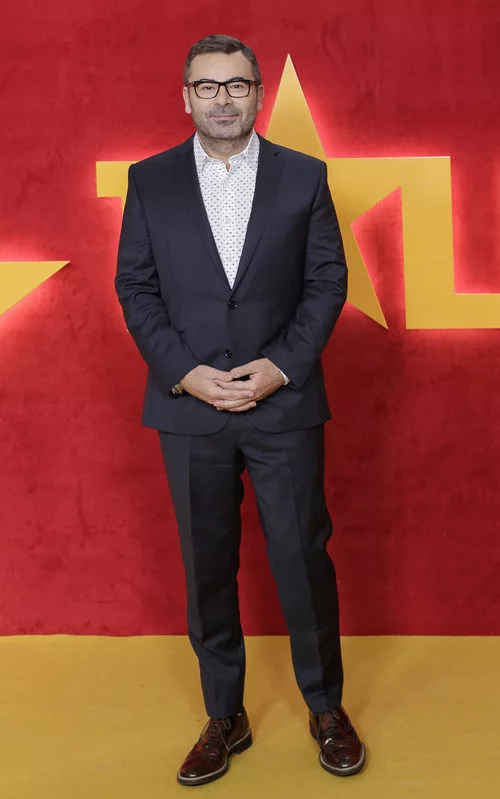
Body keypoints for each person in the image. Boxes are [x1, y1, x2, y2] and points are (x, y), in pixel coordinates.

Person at [115, 33, 365, 786]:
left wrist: (281, 368)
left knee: (302, 558)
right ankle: (225, 714)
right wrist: (186, 373)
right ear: (186, 97)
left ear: (258, 93)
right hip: (190, 408)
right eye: (207, 86)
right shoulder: (149, 180)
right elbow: (136, 287)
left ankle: (325, 707)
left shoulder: (305, 176)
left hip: (283, 405)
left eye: (236, 85)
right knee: (207, 565)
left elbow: (327, 281)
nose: (222, 98)